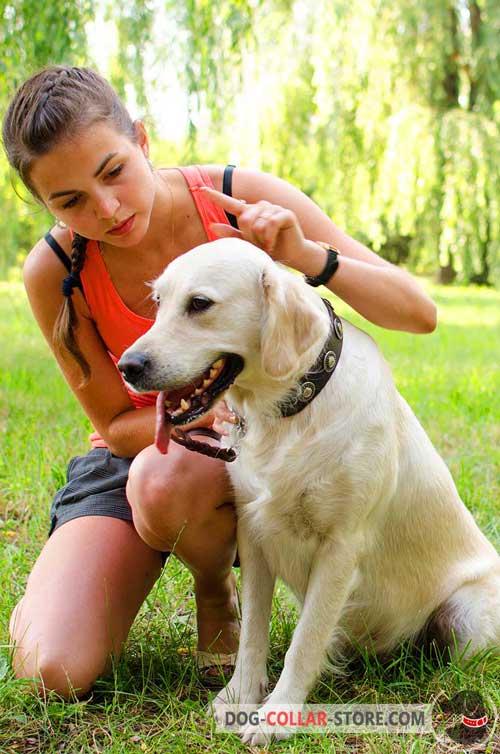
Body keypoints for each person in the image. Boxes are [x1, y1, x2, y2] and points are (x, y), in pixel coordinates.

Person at [2, 65, 437, 700]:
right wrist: (192, 419)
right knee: (53, 667)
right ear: (44, 205)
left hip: (252, 440)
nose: (108, 209)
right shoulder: (54, 271)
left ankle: (218, 599)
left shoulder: (239, 197)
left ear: (142, 142)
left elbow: (417, 313)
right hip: (140, 454)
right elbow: (113, 425)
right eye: (70, 202)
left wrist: (307, 257)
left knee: (172, 475)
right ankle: (55, 598)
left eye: (113, 171)